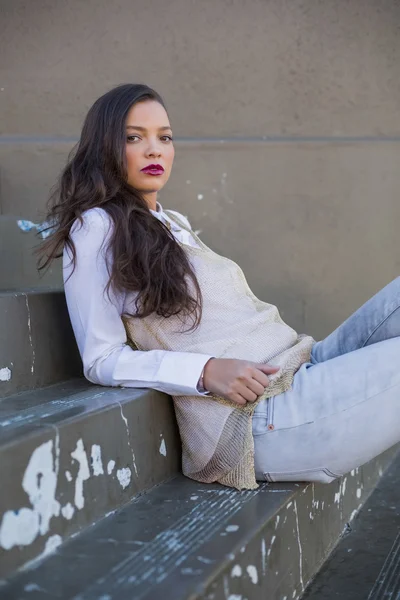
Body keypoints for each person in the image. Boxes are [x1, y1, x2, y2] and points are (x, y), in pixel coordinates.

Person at [38, 84, 400, 490]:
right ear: (103, 147)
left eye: (165, 137)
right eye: (134, 137)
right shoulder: (96, 227)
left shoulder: (170, 222)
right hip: (263, 414)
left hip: (302, 365)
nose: (155, 149)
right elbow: (101, 358)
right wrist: (204, 371)